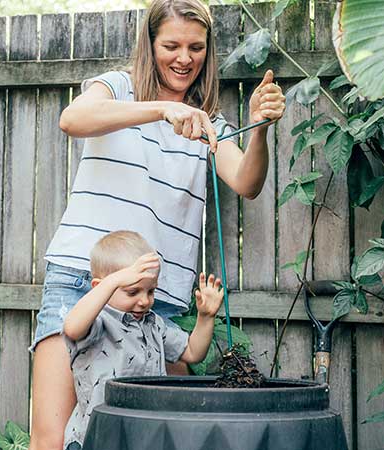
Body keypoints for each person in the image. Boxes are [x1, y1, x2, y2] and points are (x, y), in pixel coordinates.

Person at [28, 0, 286, 448]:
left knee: (147, 440)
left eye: (196, 47)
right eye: (171, 45)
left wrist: (259, 128)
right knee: (52, 440)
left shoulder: (209, 124)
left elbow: (247, 181)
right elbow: (72, 119)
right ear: (150, 46)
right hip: (82, 285)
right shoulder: (118, 88)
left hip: (155, 301)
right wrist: (160, 110)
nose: (184, 58)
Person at [61, 230, 223, 450]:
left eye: (151, 291)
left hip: (143, 435)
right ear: (101, 287)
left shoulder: (153, 324)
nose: (144, 301)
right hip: (96, 437)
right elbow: (71, 328)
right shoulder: (99, 323)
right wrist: (115, 280)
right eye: (132, 291)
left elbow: (193, 352)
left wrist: (206, 317)